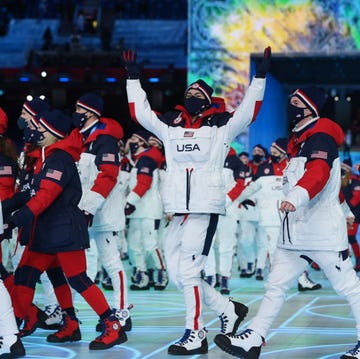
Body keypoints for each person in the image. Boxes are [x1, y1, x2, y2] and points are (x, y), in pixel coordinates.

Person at [123, 46, 271, 355]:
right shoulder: (171, 128)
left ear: (206, 99)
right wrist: (133, 79)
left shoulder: (221, 128)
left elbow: (249, 111)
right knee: (178, 275)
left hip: (205, 208)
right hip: (177, 210)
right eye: (188, 90)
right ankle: (228, 310)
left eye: (197, 92)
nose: (191, 94)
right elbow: (141, 114)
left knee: (188, 273)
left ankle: (195, 333)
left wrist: (259, 77)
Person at [214, 86, 360, 359]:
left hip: (321, 234)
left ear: (310, 108)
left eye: (296, 102)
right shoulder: (302, 142)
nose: (289, 106)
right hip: (293, 236)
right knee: (276, 286)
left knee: (349, 287)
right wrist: (345, 207)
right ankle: (255, 337)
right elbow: (332, 186)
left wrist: (296, 196)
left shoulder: (320, 139)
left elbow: (318, 174)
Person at [5, 109, 126, 350]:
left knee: (78, 279)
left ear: (52, 134)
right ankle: (67, 323)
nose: (35, 131)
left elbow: (45, 196)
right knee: (34, 275)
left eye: (41, 128)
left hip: (65, 231)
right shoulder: (45, 157)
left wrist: (15, 220)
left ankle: (112, 324)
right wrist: (5, 210)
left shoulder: (58, 159)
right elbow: (30, 193)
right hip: (47, 232)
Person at [72, 92, 132, 331]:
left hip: (103, 213)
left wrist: (89, 208)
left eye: (78, 109)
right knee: (86, 264)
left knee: (111, 262)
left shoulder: (104, 140)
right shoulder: (80, 138)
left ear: (90, 113)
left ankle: (122, 311)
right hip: (84, 211)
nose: (74, 113)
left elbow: (108, 176)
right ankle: (97, 313)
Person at [124, 130, 168, 291]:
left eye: (134, 138)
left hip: (149, 210)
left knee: (151, 245)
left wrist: (130, 202)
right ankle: (142, 274)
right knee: (135, 245)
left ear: (142, 143)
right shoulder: (138, 160)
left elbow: (144, 183)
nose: (131, 141)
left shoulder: (147, 160)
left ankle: (161, 272)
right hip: (137, 211)